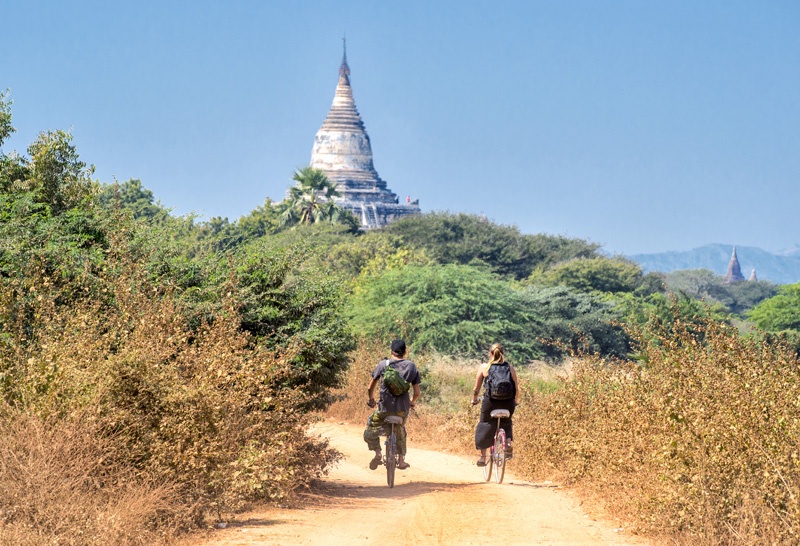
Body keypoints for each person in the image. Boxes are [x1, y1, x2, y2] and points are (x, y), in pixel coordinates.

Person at [364, 339, 421, 470]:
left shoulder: (383, 364)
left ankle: (378, 453)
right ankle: (401, 460)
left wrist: (371, 400)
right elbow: (417, 392)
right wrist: (412, 403)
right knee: (401, 430)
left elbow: (369, 388)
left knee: (371, 426)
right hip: (402, 409)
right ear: (405, 352)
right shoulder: (411, 366)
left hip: (384, 408)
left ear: (391, 351)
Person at [471, 342, 519, 466]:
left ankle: (482, 458)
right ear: (502, 353)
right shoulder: (509, 367)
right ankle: (507, 443)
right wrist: (515, 401)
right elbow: (516, 388)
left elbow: (476, 388)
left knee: (485, 424)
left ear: (490, 353)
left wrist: (474, 399)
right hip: (508, 403)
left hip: (491, 402)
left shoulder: (484, 367)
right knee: (507, 422)